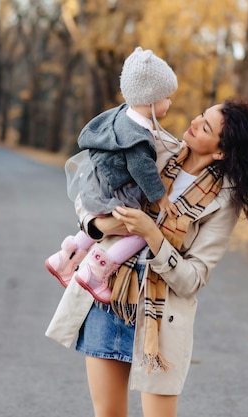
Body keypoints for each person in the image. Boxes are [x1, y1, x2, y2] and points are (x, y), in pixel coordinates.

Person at [45, 97, 248, 417]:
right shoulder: (155, 149)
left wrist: (152, 234)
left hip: (159, 319)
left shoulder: (224, 201)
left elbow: (192, 280)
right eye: (202, 115)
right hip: (105, 299)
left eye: (205, 127)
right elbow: (91, 192)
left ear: (221, 152)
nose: (193, 122)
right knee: (107, 413)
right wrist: (100, 225)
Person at [44, 47, 180, 303]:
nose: (170, 103)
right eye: (167, 97)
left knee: (102, 219)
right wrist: (161, 199)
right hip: (115, 189)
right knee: (142, 232)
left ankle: (65, 257)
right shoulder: (137, 136)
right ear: (151, 100)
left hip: (97, 183)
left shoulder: (121, 115)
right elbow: (143, 170)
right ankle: (97, 272)